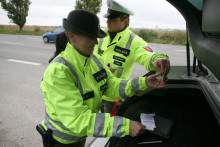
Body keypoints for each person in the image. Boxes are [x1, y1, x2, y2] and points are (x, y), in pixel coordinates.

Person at [37, 9, 167, 147]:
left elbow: (112, 86)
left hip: (80, 136)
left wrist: (144, 82)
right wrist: (125, 126)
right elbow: (79, 120)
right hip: (62, 141)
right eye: (90, 37)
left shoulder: (95, 60)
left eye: (96, 36)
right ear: (72, 36)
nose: (96, 42)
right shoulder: (59, 71)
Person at [94, 0, 170, 114]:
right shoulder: (101, 36)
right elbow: (90, 56)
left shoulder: (134, 41)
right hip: (96, 92)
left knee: (112, 129)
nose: (108, 22)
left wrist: (156, 60)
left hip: (114, 97)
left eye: (113, 19)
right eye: (107, 18)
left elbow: (146, 55)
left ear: (125, 21)